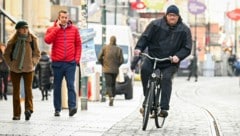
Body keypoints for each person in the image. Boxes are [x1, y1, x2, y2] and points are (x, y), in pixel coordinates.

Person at [132, 5, 192, 117]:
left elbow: (187, 47)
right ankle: (148, 97)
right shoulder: (155, 24)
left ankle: (164, 108)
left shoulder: (184, 30)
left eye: (174, 15)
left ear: (178, 17)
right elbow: (145, 37)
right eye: (170, 15)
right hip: (153, 57)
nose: (172, 17)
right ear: (166, 15)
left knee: (166, 78)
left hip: (170, 61)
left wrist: (178, 56)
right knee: (144, 70)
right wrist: (139, 48)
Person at [44, 10, 82, 117]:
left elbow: (78, 45)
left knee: (71, 85)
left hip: (70, 63)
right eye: (62, 17)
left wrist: (77, 59)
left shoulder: (74, 30)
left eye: (66, 17)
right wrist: (57, 29)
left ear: (68, 18)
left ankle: (72, 107)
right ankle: (57, 109)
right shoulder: (52, 29)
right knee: (57, 86)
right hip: (57, 63)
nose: (64, 19)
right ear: (59, 18)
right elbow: (47, 40)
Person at [3, 21, 41, 120]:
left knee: (28, 90)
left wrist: (33, 62)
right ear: (18, 30)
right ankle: (16, 114)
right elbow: (6, 54)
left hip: (28, 68)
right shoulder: (12, 41)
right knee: (16, 92)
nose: (25, 30)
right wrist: (11, 64)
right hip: (15, 69)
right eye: (23, 28)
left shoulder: (32, 39)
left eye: (26, 28)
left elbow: (37, 53)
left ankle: (28, 110)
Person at [98, 36, 124, 106]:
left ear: (110, 40)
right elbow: (122, 60)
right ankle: (113, 96)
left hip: (107, 69)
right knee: (113, 84)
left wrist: (103, 63)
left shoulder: (105, 48)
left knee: (108, 84)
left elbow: (99, 57)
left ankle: (111, 97)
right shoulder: (119, 49)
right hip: (115, 70)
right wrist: (117, 65)